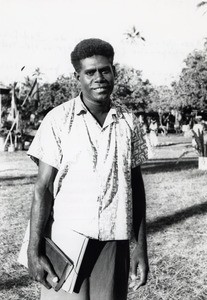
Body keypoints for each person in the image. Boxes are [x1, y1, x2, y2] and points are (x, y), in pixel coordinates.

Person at [27, 38, 149, 300]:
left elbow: (136, 187)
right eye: (90, 72)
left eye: (105, 70)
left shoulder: (128, 120)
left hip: (114, 242)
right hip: (67, 241)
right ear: (78, 76)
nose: (99, 78)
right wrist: (33, 250)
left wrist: (140, 247)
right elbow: (43, 188)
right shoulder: (58, 120)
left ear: (114, 71)